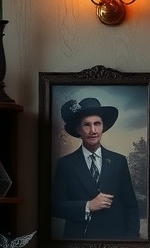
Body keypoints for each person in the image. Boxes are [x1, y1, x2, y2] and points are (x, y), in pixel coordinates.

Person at [51, 97, 140, 240]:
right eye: (86, 125)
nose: (93, 130)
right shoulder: (65, 164)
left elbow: (131, 207)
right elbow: (55, 206)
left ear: (103, 126)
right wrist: (87, 206)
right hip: (78, 244)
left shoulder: (119, 161)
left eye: (97, 124)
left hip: (115, 242)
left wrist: (130, 241)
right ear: (78, 129)